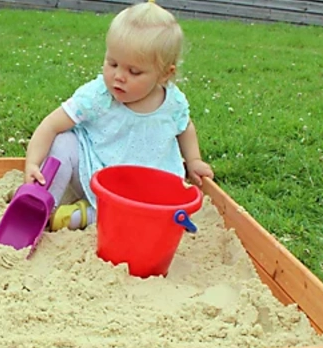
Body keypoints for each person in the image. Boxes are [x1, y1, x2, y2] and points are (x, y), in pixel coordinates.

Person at [23, 0, 214, 231]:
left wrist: (193, 160)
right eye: (112, 63)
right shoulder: (99, 95)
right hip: (94, 171)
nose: (119, 76)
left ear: (164, 74)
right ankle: (38, 202)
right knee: (65, 141)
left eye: (134, 71)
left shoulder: (172, 103)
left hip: (142, 188)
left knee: (141, 216)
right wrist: (33, 162)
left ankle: (81, 215)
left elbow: (185, 127)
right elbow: (51, 125)